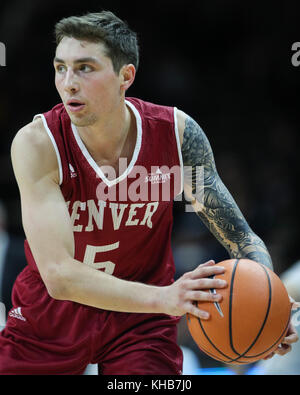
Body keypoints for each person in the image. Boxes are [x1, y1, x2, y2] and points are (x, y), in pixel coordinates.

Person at [0, 11, 297, 375]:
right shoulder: (38, 143)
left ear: (126, 76)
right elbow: (60, 277)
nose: (68, 83)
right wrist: (166, 297)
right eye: (60, 68)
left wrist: (271, 306)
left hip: (140, 323)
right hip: (51, 319)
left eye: (85, 68)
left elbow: (241, 238)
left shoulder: (175, 134)